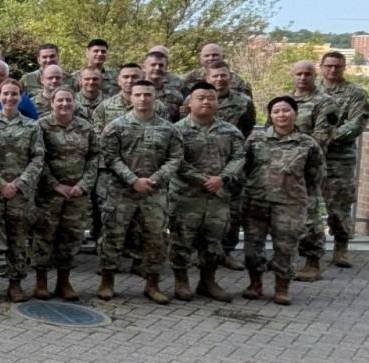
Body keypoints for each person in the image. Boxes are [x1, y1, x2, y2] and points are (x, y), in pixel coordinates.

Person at [97, 81, 183, 303]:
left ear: (155, 98)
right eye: (138, 94)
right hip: (121, 191)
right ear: (131, 97)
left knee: (156, 238)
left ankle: (152, 284)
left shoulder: (169, 128)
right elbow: (110, 157)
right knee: (113, 236)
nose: (143, 98)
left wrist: (154, 179)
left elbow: (175, 158)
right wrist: (132, 179)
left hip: (154, 193)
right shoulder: (116, 126)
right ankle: (107, 281)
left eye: (147, 94)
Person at [242, 96, 324, 305]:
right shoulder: (255, 139)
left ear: (295, 113)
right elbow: (245, 167)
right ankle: (255, 284)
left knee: (285, 247)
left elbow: (314, 175)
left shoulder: (308, 143)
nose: (281, 115)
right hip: (256, 201)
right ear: (270, 115)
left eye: (286, 111)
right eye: (276, 111)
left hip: (290, 203)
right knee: (253, 246)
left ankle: (282, 286)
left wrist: (305, 198)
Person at [170, 82, 244, 302]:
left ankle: (207, 281)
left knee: (214, 242)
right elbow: (176, 161)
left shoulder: (230, 131)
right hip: (186, 196)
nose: (206, 102)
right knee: (181, 241)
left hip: (218, 196)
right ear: (189, 102)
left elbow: (239, 158)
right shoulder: (177, 131)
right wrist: (203, 179)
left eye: (211, 98)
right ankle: (181, 282)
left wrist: (222, 178)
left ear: (217, 102)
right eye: (200, 97)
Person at [0, 81, 45, 303]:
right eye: (6, 93)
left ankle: (15, 284)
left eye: (15, 94)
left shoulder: (32, 126)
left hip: (20, 194)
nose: (10, 98)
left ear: (21, 96)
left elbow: (38, 158)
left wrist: (19, 183)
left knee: (19, 241)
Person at [32, 88, 97, 301]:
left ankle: (64, 281)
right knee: (44, 237)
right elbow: (37, 158)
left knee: (71, 238)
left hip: (77, 194)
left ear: (74, 102)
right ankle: (41, 282)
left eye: (68, 100)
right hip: (49, 194)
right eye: (59, 100)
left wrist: (83, 184)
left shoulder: (85, 127)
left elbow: (94, 158)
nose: (64, 104)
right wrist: (54, 184)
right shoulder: (41, 126)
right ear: (52, 103)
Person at [289, 60, 340, 282]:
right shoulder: (286, 100)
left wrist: (293, 156)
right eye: (298, 74)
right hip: (283, 167)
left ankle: (312, 262)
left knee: (309, 214)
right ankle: (286, 259)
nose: (302, 78)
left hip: (308, 166)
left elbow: (320, 138)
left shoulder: (325, 102)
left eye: (307, 74)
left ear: (314, 75)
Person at [318, 50, 366, 268]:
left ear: (344, 67)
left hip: (339, 157)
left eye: (337, 66)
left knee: (339, 205)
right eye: (329, 65)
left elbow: (356, 123)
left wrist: (330, 137)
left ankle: (341, 247)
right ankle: (310, 248)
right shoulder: (311, 91)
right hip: (310, 156)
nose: (333, 69)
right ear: (321, 67)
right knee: (304, 203)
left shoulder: (354, 93)